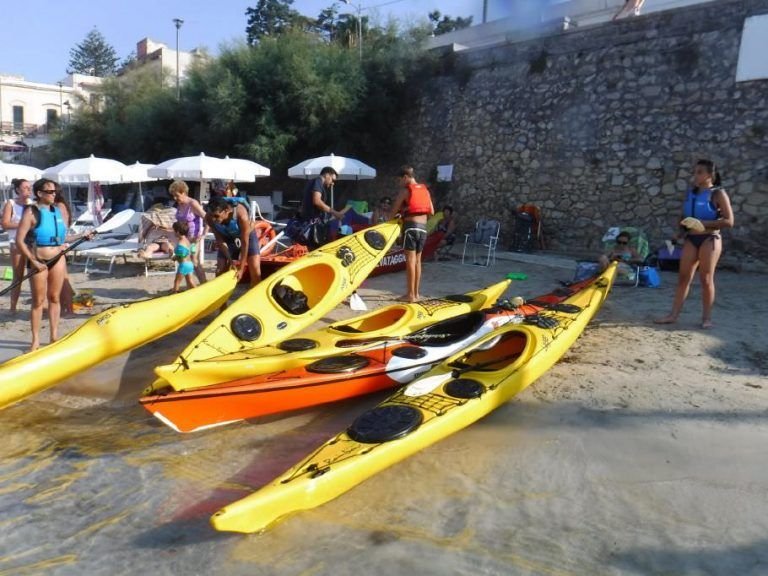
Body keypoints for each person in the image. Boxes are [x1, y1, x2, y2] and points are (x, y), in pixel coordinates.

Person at [15, 178, 94, 351]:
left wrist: (82, 236)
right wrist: (34, 261)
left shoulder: (57, 211)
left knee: (55, 298)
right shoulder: (31, 212)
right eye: (50, 192)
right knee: (38, 301)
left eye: (55, 191)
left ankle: (54, 336)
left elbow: (63, 238)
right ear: (39, 193)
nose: (54, 194)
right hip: (38, 260)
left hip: (58, 258)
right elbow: (19, 241)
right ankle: (35, 341)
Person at [655, 159, 734, 329]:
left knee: (706, 279)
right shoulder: (691, 193)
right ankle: (673, 315)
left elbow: (729, 221)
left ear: (710, 175)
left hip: (710, 239)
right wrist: (679, 232)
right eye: (695, 172)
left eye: (699, 172)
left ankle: (707, 318)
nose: (695, 175)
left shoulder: (718, 194)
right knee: (683, 278)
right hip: (691, 239)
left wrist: (703, 223)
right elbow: (684, 217)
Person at [390, 165, 435, 302]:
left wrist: (396, 217)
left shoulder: (405, 191)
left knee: (410, 260)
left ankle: (410, 295)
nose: (399, 183)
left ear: (405, 177)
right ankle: (416, 294)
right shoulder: (425, 190)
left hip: (410, 227)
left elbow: (393, 212)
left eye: (399, 180)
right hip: (423, 228)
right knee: (418, 261)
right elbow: (432, 212)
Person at [205, 196, 262, 286]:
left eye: (216, 216)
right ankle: (222, 294)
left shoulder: (241, 215)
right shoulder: (209, 218)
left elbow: (245, 243)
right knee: (220, 270)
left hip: (246, 234)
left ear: (226, 211)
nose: (213, 219)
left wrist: (241, 268)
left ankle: (255, 289)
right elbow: (220, 241)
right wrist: (230, 260)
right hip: (226, 236)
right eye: (211, 215)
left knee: (255, 270)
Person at [2, 178, 33, 312]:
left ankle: (37, 305)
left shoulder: (33, 204)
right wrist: (24, 224)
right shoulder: (11, 203)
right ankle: (13, 307)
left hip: (31, 242)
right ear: (18, 190)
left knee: (34, 274)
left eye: (30, 187)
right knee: (18, 276)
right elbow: (5, 224)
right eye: (25, 187)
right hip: (16, 242)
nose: (29, 190)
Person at [168, 180, 207, 284]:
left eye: (176, 195)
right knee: (185, 261)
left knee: (195, 261)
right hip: (183, 239)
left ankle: (204, 283)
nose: (174, 198)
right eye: (173, 196)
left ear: (183, 192)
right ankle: (190, 284)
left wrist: (203, 235)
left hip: (194, 238)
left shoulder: (192, 204)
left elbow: (207, 218)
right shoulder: (179, 204)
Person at [297, 166, 347, 249]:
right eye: (332, 180)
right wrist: (335, 213)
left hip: (308, 221)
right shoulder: (318, 181)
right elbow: (317, 201)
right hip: (312, 224)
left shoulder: (313, 182)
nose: (333, 183)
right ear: (327, 175)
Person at [171, 221, 196, 293]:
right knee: (190, 282)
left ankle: (174, 295)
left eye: (174, 231)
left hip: (183, 265)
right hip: (190, 264)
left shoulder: (180, 243)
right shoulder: (187, 241)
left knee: (177, 282)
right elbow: (192, 250)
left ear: (178, 232)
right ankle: (199, 293)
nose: (173, 232)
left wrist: (172, 256)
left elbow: (178, 257)